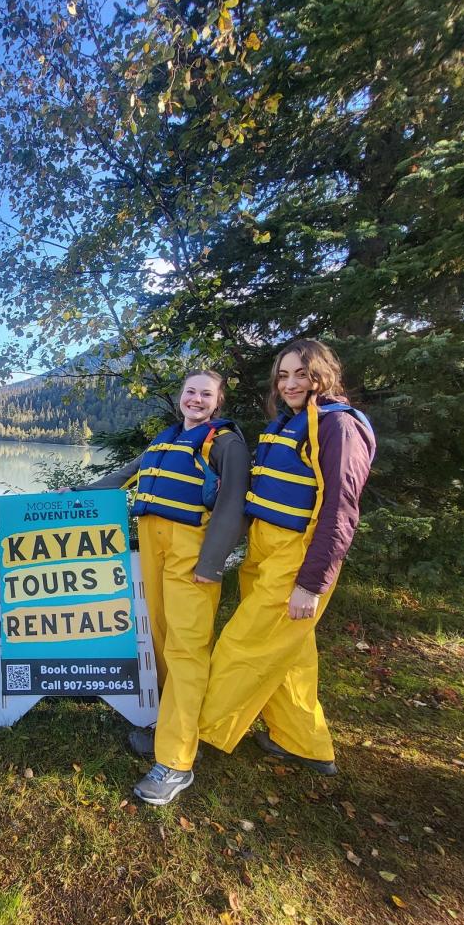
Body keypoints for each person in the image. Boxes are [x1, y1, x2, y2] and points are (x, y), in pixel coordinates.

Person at [69, 371, 250, 805]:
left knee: (187, 649)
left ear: (218, 401)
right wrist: (75, 495)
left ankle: (177, 761)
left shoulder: (225, 444)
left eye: (206, 394)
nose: (197, 399)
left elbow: (232, 504)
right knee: (160, 637)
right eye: (190, 391)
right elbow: (125, 477)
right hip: (153, 544)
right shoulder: (164, 440)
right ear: (180, 398)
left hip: (192, 551)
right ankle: (168, 725)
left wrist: (211, 562)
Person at [198, 339, 375, 775]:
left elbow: (340, 509)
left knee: (244, 643)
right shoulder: (289, 422)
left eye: (302, 374)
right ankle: (303, 741)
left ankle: (192, 731)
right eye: (284, 375)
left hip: (296, 555)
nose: (291, 383)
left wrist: (310, 584)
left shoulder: (338, 428)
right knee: (291, 652)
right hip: (265, 547)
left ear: (323, 374)